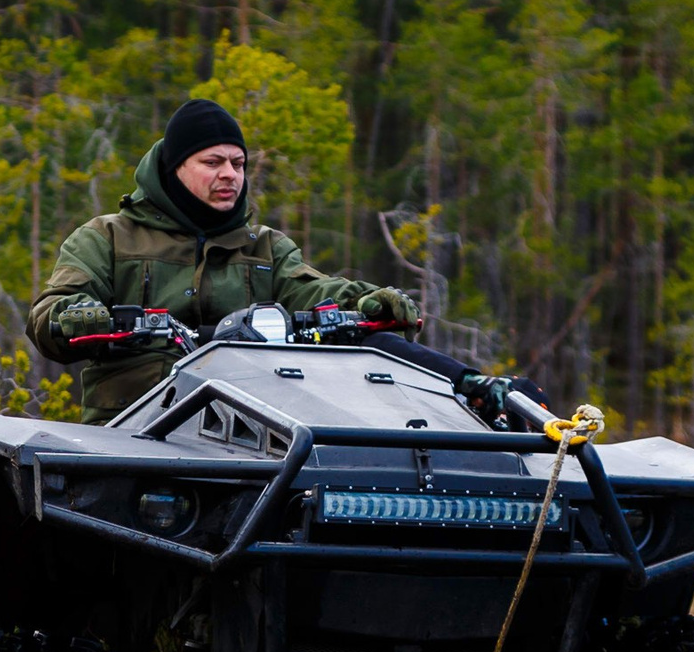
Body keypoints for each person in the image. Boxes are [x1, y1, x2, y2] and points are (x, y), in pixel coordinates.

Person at [27, 98, 421, 422]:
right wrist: (74, 314)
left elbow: (314, 290)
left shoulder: (265, 246)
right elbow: (50, 312)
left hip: (248, 428)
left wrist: (364, 301)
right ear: (174, 168)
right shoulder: (107, 237)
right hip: (129, 426)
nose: (230, 175)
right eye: (212, 163)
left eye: (238, 163)